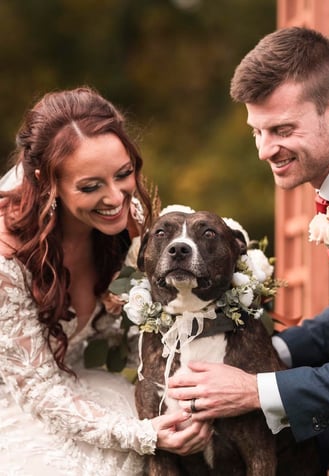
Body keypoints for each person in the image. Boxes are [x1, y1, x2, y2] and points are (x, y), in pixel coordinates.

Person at [168, 27, 329, 476]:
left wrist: (258, 389)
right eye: (257, 131)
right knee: (311, 438)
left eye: (282, 129)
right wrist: (274, 351)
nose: (265, 150)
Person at [0, 86, 212, 476]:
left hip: (87, 382)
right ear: (46, 182)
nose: (116, 198)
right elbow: (38, 390)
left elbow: (145, 327)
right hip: (20, 401)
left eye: (123, 174)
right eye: (90, 186)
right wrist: (144, 434)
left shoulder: (129, 223)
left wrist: (185, 387)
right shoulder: (5, 257)